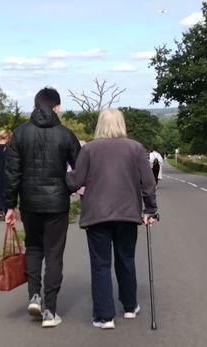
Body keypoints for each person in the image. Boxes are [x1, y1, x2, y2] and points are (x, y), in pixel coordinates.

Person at [66, 108, 158, 330]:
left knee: (101, 264)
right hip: (127, 213)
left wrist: (60, 172)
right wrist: (150, 210)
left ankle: (104, 316)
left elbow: (75, 182)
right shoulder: (135, 148)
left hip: (97, 214)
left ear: (100, 125)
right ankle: (129, 306)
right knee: (125, 259)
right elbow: (148, 183)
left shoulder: (89, 149)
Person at [3, 87, 81, 328]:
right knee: (54, 254)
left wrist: (9, 206)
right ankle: (51, 311)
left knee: (34, 249)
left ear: (36, 106)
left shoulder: (19, 133)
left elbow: (12, 173)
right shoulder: (66, 135)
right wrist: (67, 188)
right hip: (57, 204)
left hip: (29, 203)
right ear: (56, 107)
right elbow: (80, 170)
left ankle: (34, 297)